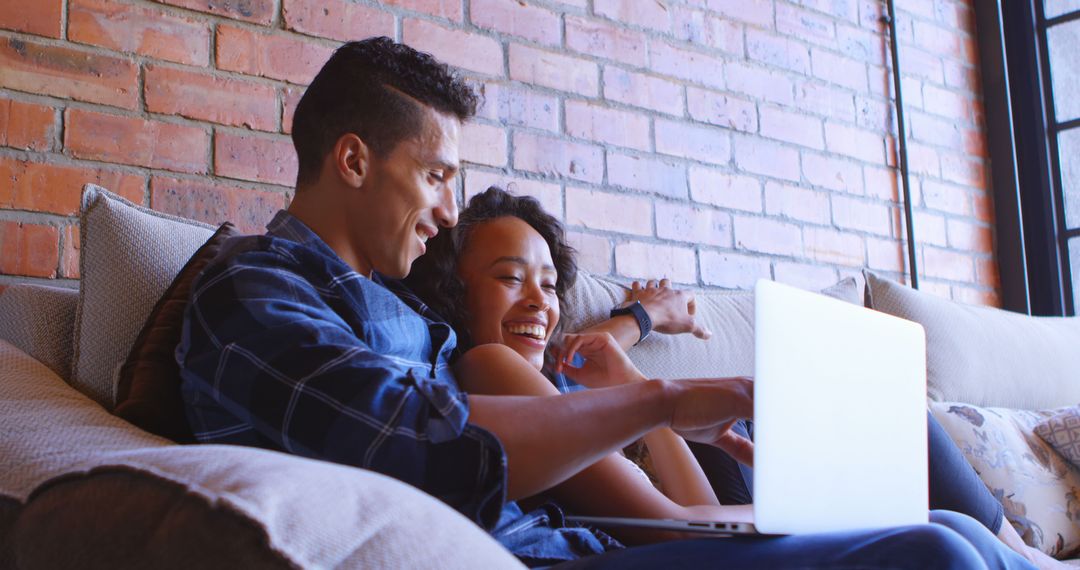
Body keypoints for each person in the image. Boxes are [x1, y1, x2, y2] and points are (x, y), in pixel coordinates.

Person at [177, 37, 1036, 569]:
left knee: (945, 533)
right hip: (545, 554)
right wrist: (663, 399)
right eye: (436, 176)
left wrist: (637, 340)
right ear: (354, 161)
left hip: (577, 539)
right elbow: (428, 435)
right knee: (935, 551)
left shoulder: (408, 309)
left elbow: (536, 356)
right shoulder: (256, 292)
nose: (444, 210)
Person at [406, 187, 1064, 569]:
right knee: (938, 546)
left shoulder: (555, 379)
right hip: (606, 554)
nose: (539, 302)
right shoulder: (486, 364)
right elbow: (672, 526)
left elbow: (698, 515)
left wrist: (634, 387)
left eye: (549, 285)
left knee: (957, 531)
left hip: (665, 537)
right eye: (509, 278)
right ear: (456, 291)